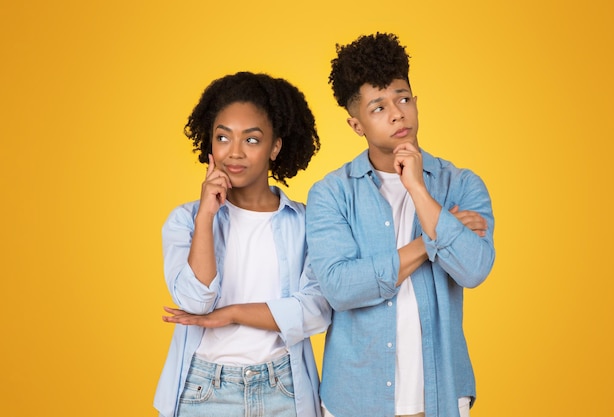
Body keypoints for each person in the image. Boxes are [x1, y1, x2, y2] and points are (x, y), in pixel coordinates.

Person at [305, 33, 496, 417]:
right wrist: (432, 241)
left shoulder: (460, 184)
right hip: (354, 399)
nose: (397, 113)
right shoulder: (331, 194)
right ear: (356, 124)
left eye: (403, 98)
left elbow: (474, 269)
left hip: (442, 394)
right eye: (378, 107)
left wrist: (418, 189)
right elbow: (340, 288)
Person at [154, 71, 331, 417]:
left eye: (251, 140)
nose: (234, 153)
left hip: (283, 387)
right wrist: (206, 216)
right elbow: (194, 302)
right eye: (223, 137)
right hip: (204, 390)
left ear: (275, 146)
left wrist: (233, 314)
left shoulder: (308, 223)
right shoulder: (185, 221)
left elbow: (316, 310)